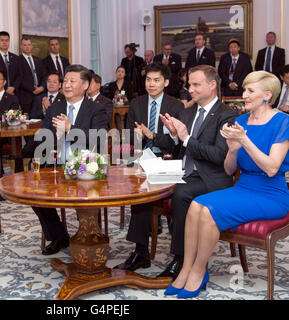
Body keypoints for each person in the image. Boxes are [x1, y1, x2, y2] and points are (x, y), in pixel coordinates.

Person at [165, 71, 289, 298]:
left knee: (210, 211)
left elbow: (272, 168)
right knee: (195, 205)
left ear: (267, 95)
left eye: (251, 91)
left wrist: (245, 141)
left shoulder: (283, 121)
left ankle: (199, 270)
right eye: (244, 90)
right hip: (243, 187)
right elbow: (229, 169)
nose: (244, 95)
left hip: (271, 193)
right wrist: (232, 150)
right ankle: (185, 269)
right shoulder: (240, 121)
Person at [157, 65, 237, 280]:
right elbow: (178, 149)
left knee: (181, 193)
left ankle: (181, 259)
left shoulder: (227, 115)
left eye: (195, 84)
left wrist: (186, 139)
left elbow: (220, 156)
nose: (189, 89)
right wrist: (175, 136)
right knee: (147, 187)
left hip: (212, 177)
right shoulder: (188, 111)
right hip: (183, 171)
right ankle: (140, 251)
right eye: (189, 84)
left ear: (212, 85)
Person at [113, 63, 184, 271]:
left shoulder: (175, 106)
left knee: (147, 186)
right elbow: (129, 136)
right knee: (139, 190)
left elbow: (177, 143)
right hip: (142, 158)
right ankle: (140, 251)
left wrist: (152, 136)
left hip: (168, 160)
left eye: (156, 80)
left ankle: (168, 251)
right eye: (148, 80)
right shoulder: (136, 103)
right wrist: (137, 139)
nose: (151, 84)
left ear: (166, 82)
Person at [32, 65, 108, 255]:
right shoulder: (55, 107)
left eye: (72, 81)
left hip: (86, 167)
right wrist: (53, 138)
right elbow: (45, 136)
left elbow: (97, 139)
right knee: (35, 196)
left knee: (84, 196)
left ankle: (90, 236)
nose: (66, 84)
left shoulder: (97, 109)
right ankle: (59, 236)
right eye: (65, 80)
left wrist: (70, 128)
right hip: (56, 165)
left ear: (85, 85)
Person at [18, 36, 47, 115]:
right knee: (27, 121)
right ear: (21, 46)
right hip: (26, 97)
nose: (27, 47)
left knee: (40, 119)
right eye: (25, 45)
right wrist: (33, 89)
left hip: (40, 95)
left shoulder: (38, 60)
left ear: (32, 46)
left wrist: (42, 87)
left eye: (29, 45)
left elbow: (44, 76)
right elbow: (19, 78)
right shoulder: (17, 60)